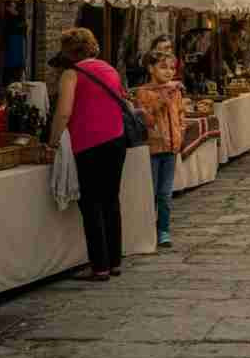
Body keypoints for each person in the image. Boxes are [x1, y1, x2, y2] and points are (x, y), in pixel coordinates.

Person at [48, 28, 126, 282]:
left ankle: (99, 266)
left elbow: (63, 113)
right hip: (116, 140)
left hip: (89, 144)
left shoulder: (72, 74)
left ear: (68, 51)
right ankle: (114, 261)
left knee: (91, 204)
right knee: (111, 200)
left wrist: (52, 141)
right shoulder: (110, 69)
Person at [135, 48, 184, 248]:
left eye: (172, 68)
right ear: (150, 68)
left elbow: (180, 114)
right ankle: (147, 229)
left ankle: (164, 229)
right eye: (163, 67)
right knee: (152, 191)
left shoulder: (176, 91)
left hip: (171, 148)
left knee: (165, 193)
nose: (169, 72)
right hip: (153, 148)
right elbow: (145, 119)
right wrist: (162, 101)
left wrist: (180, 132)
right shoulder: (143, 92)